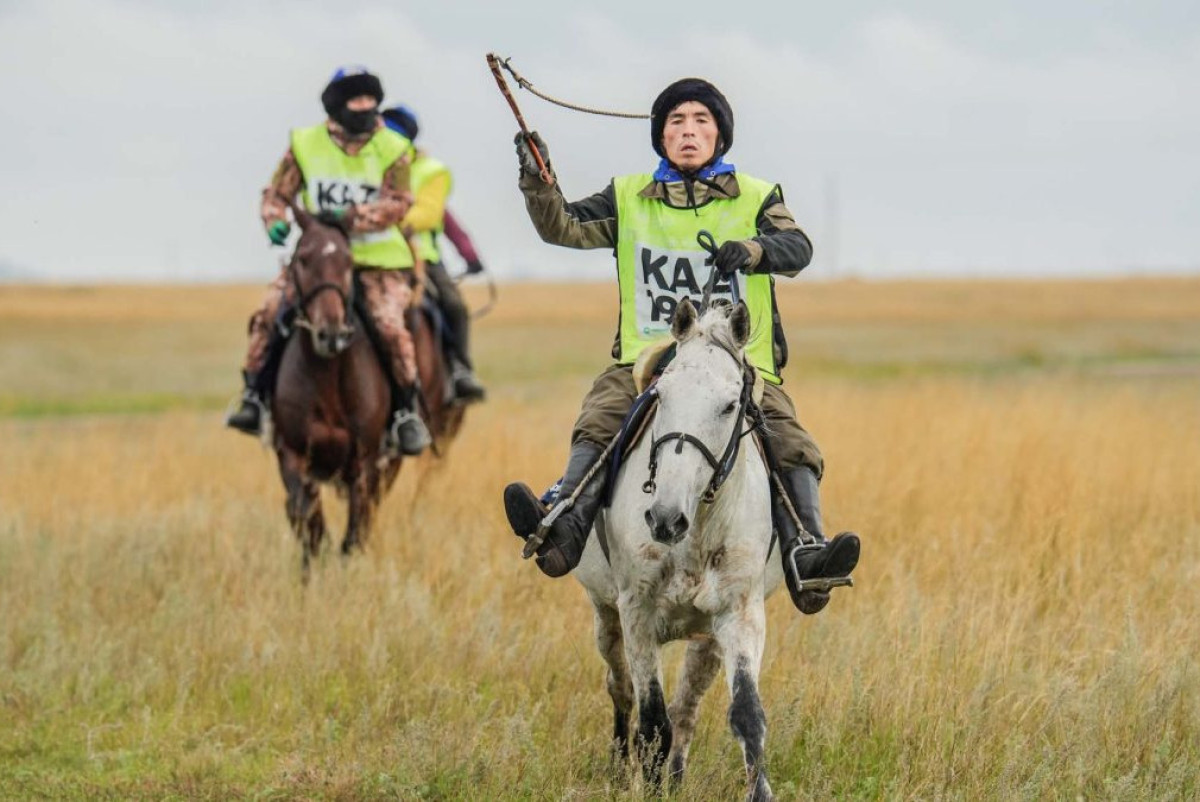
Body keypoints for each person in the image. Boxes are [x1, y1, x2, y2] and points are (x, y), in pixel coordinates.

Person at [502, 78, 860, 615]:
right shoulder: (627, 197)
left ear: (720, 136)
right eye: (676, 122)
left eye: (701, 121)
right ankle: (563, 527)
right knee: (600, 417)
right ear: (661, 137)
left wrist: (753, 249)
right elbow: (564, 227)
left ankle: (807, 555)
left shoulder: (758, 196)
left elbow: (799, 247)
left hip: (736, 366)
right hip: (647, 361)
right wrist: (538, 179)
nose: (688, 131)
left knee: (791, 442)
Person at [226, 66, 431, 455]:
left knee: (390, 328)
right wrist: (274, 220)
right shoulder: (305, 144)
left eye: (370, 99)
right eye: (356, 99)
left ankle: (406, 412)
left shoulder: (393, 148)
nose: (365, 106)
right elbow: (277, 193)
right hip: (318, 259)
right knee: (270, 312)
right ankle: (253, 396)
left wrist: (351, 217)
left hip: (375, 260)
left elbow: (400, 203)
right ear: (338, 105)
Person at [380, 104, 486, 402]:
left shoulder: (429, 172)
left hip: (420, 256)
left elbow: (434, 215)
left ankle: (460, 369)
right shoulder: (369, 164)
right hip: (368, 252)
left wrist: (469, 254)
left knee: (454, 305)